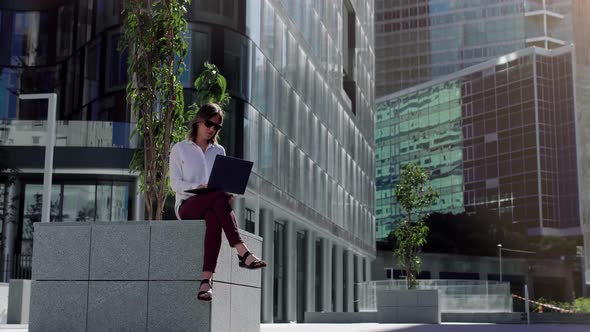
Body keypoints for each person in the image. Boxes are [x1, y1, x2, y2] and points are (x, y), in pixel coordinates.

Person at [169, 102, 266, 302]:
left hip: (213, 203)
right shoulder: (180, 149)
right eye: (209, 123)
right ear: (198, 121)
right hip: (187, 205)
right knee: (216, 197)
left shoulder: (218, 151)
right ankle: (241, 251)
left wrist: (225, 190)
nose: (212, 129)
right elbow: (175, 184)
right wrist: (200, 187)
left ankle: (206, 282)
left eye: (217, 126)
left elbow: (219, 183)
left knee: (214, 216)